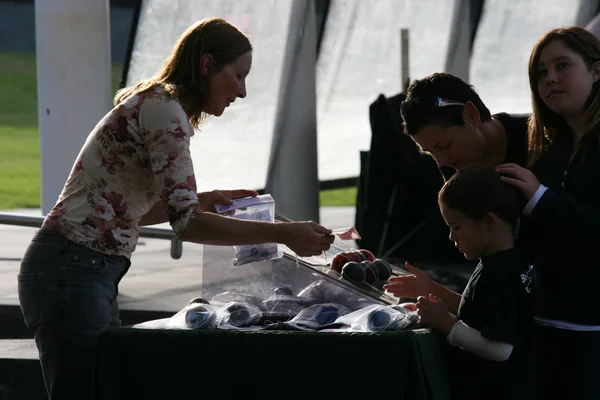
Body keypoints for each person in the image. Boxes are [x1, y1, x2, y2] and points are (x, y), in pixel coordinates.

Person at [17, 17, 334, 400]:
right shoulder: (166, 115)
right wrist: (285, 234)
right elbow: (190, 226)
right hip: (73, 272)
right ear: (206, 65)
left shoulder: (156, 104)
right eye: (238, 75)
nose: (243, 91)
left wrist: (202, 199)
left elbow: (126, 212)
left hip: (75, 270)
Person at [497, 26, 600, 398]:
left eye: (562, 65)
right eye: (541, 72)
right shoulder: (548, 147)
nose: (550, 79)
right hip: (545, 322)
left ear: (596, 71)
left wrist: (540, 197)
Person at [384, 165, 534, 400]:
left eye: (456, 227)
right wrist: (432, 289)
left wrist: (446, 324)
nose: (451, 237)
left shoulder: (500, 274)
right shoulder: (505, 260)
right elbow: (481, 313)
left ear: (488, 222)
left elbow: (501, 349)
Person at [400, 72, 530, 181]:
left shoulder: (540, 137)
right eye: (431, 153)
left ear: (471, 115)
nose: (441, 162)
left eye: (445, 145)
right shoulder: (455, 169)